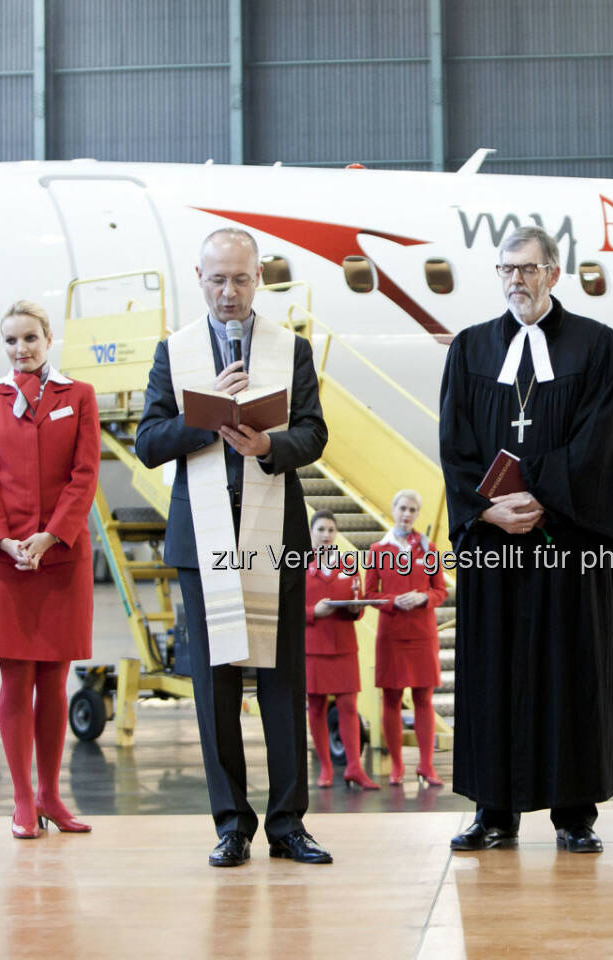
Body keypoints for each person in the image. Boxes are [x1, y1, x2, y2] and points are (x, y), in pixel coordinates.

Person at [135, 228, 331, 867]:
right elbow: (149, 440)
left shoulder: (290, 348)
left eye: (240, 279)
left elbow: (313, 433)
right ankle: (230, 825)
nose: (228, 291)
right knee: (215, 688)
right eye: (217, 279)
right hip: (205, 538)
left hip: (274, 531)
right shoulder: (176, 350)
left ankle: (288, 824)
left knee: (281, 683)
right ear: (199, 277)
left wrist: (269, 446)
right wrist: (208, 417)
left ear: (259, 279)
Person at [438, 225, 613, 854]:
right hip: (494, 542)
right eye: (505, 270)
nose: (516, 280)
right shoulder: (469, 349)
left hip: (565, 540)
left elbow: (598, 442)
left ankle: (574, 815)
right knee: (493, 671)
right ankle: (494, 811)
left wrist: (538, 496)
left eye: (527, 269)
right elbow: (455, 444)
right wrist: (486, 510)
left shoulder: (596, 346)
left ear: (553, 273)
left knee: (570, 670)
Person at [0, 300, 100, 839]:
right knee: (16, 677)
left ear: (49, 339)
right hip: (6, 559)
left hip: (61, 554)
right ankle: (23, 800)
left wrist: (52, 534)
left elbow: (85, 473)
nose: (20, 349)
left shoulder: (80, 397)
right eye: (11, 341)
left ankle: (51, 794)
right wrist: (4, 539)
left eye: (29, 338)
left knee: (55, 679)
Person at [362, 490, 448, 787]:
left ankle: (426, 766)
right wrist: (393, 601)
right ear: (393, 508)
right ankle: (397, 766)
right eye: (402, 508)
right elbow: (369, 595)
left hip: (423, 633)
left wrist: (424, 597)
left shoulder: (429, 549)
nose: (407, 513)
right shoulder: (377, 550)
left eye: (412, 509)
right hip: (392, 634)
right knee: (392, 697)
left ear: (417, 513)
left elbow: (441, 591)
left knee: (424, 698)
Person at [304, 510, 379, 791]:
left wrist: (353, 610)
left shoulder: (348, 564)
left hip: (344, 646)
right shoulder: (299, 564)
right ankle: (325, 768)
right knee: (317, 709)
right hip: (313, 647)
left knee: (348, 707)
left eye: (331, 530)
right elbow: (287, 609)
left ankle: (354, 768)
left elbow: (357, 605)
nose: (326, 535)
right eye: (321, 529)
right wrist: (314, 612)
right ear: (312, 532)